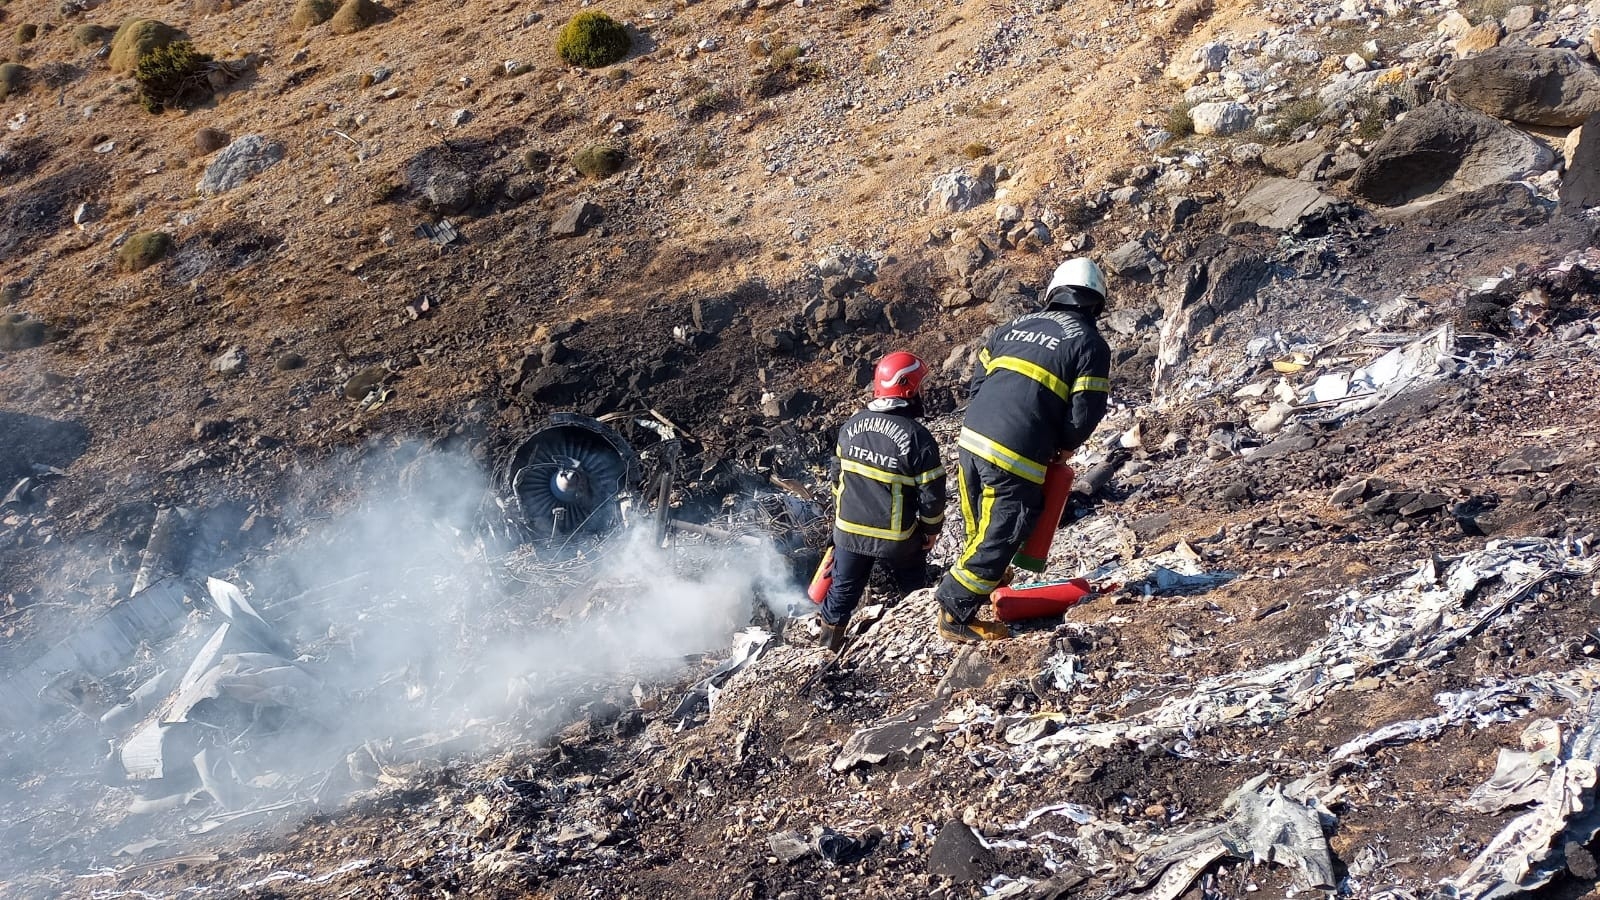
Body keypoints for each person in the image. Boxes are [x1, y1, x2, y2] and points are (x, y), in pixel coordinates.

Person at [932, 257, 1112, 643]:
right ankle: (954, 609)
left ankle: (986, 580)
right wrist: (1062, 447)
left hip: (971, 439)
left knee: (979, 525)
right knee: (1004, 529)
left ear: (1053, 293)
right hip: (1015, 452)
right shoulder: (1089, 343)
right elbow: (1084, 412)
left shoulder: (1010, 328)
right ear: (1096, 303)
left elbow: (977, 384)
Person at [818, 351, 947, 652]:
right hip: (896, 539)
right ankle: (924, 635)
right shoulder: (918, 438)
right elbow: (932, 494)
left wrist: (838, 526)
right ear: (907, 388)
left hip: (848, 531)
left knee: (841, 594)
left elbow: (838, 481)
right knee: (915, 585)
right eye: (920, 386)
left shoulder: (851, 427)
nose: (923, 392)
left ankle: (826, 651)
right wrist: (930, 530)